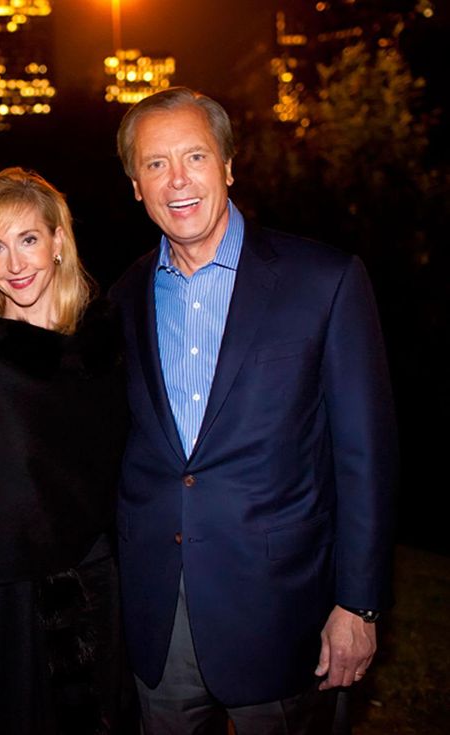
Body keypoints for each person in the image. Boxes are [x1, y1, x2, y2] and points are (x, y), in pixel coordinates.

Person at [109, 87, 398, 734]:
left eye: (194, 156)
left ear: (228, 165)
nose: (177, 179)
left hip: (285, 613)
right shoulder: (123, 298)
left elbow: (365, 457)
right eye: (155, 164)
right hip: (160, 617)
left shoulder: (323, 280)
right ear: (136, 186)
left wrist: (359, 604)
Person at [0, 167, 136, 734]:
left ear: (58, 239)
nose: (14, 264)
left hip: (95, 593)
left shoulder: (106, 350)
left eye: (28, 239)